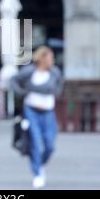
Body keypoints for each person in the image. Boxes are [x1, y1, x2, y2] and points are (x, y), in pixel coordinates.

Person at [10, 46, 63, 189]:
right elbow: (13, 80)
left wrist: (55, 92)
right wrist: (21, 92)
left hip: (48, 113)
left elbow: (59, 88)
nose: (52, 60)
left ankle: (40, 164)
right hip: (31, 111)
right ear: (42, 58)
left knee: (50, 145)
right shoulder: (29, 72)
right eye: (50, 57)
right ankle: (37, 173)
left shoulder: (55, 73)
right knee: (35, 143)